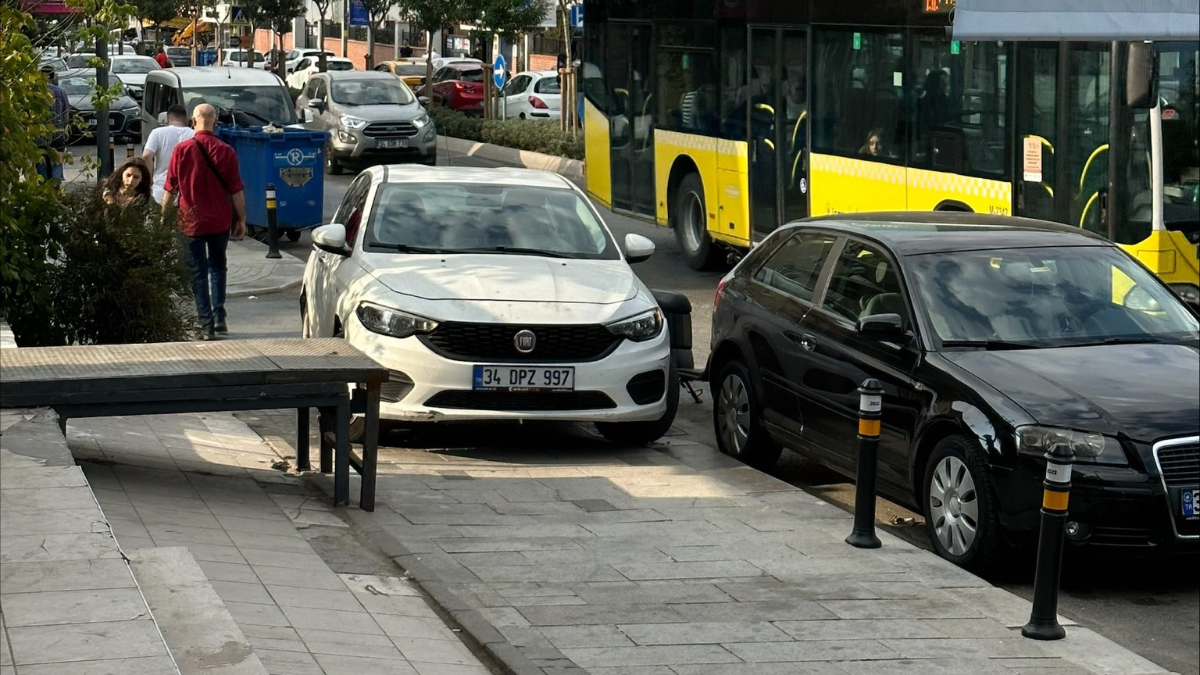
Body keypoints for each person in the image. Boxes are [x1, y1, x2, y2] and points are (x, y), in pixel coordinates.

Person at [162, 103, 246, 341]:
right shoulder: (227, 151)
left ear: (193, 121)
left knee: (197, 273)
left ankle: (205, 324)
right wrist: (242, 219)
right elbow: (237, 190)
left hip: (190, 222)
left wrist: (163, 218)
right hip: (220, 221)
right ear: (215, 122)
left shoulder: (181, 150)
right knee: (218, 267)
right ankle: (220, 317)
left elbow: (170, 188)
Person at [142, 104, 195, 204]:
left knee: (158, 218)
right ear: (186, 119)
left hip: (161, 189)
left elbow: (146, 155)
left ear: (167, 119)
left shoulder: (157, 133)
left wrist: (149, 177)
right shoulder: (194, 134)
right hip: (187, 192)